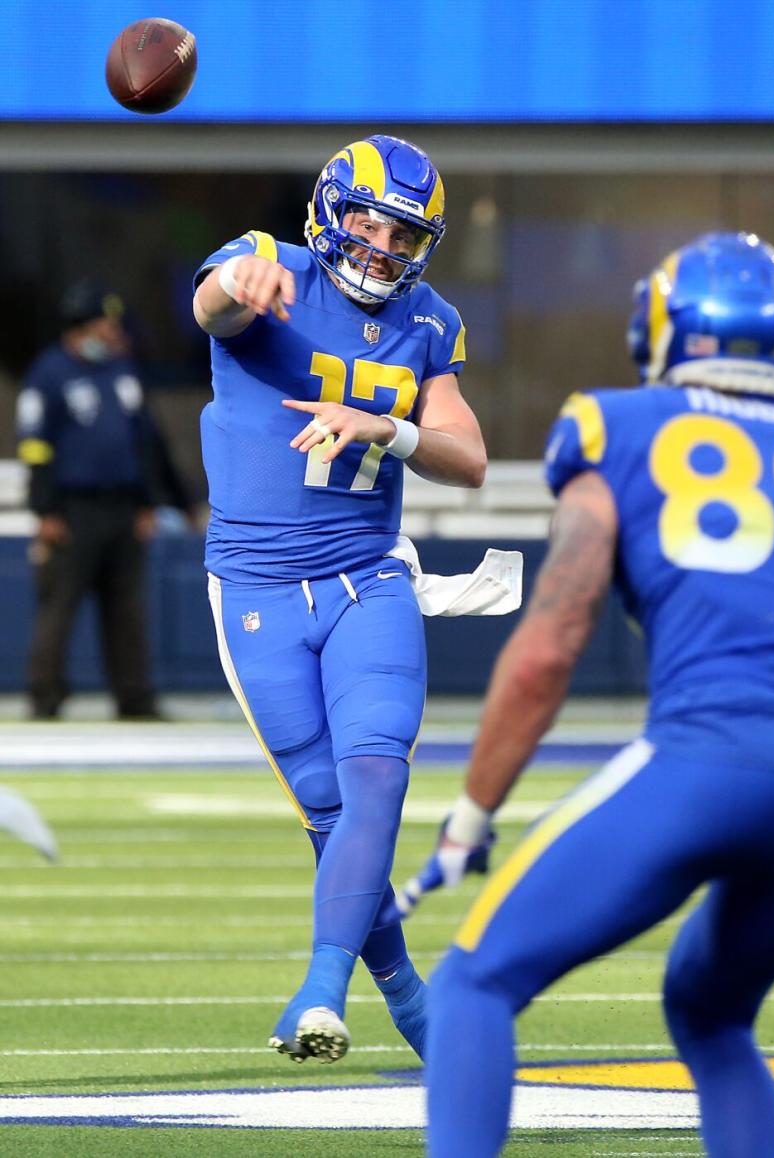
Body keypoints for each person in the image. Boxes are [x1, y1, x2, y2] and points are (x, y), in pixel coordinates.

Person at [415, 232, 774, 1157]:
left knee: (474, 982)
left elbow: (550, 643)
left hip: (704, 760)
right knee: (711, 1014)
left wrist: (471, 812)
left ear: (666, 331)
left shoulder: (615, 423)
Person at [190, 134, 487, 1065]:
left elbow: (468, 460)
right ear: (330, 209)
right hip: (256, 590)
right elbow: (211, 305)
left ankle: (321, 991)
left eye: (405, 234)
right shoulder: (267, 261)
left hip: (368, 575)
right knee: (329, 814)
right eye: (368, 220)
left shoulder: (429, 319)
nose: (382, 246)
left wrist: (387, 427)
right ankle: (405, 994)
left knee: (377, 775)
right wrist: (239, 283)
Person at [17, 281, 195, 721]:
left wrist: (155, 501)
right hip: (73, 509)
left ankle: (135, 700)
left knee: (128, 610)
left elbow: (147, 441)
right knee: (59, 605)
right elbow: (35, 447)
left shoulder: (122, 370)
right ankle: (46, 698)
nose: (113, 332)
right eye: (105, 323)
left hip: (124, 507)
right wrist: (47, 510)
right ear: (81, 326)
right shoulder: (49, 373)